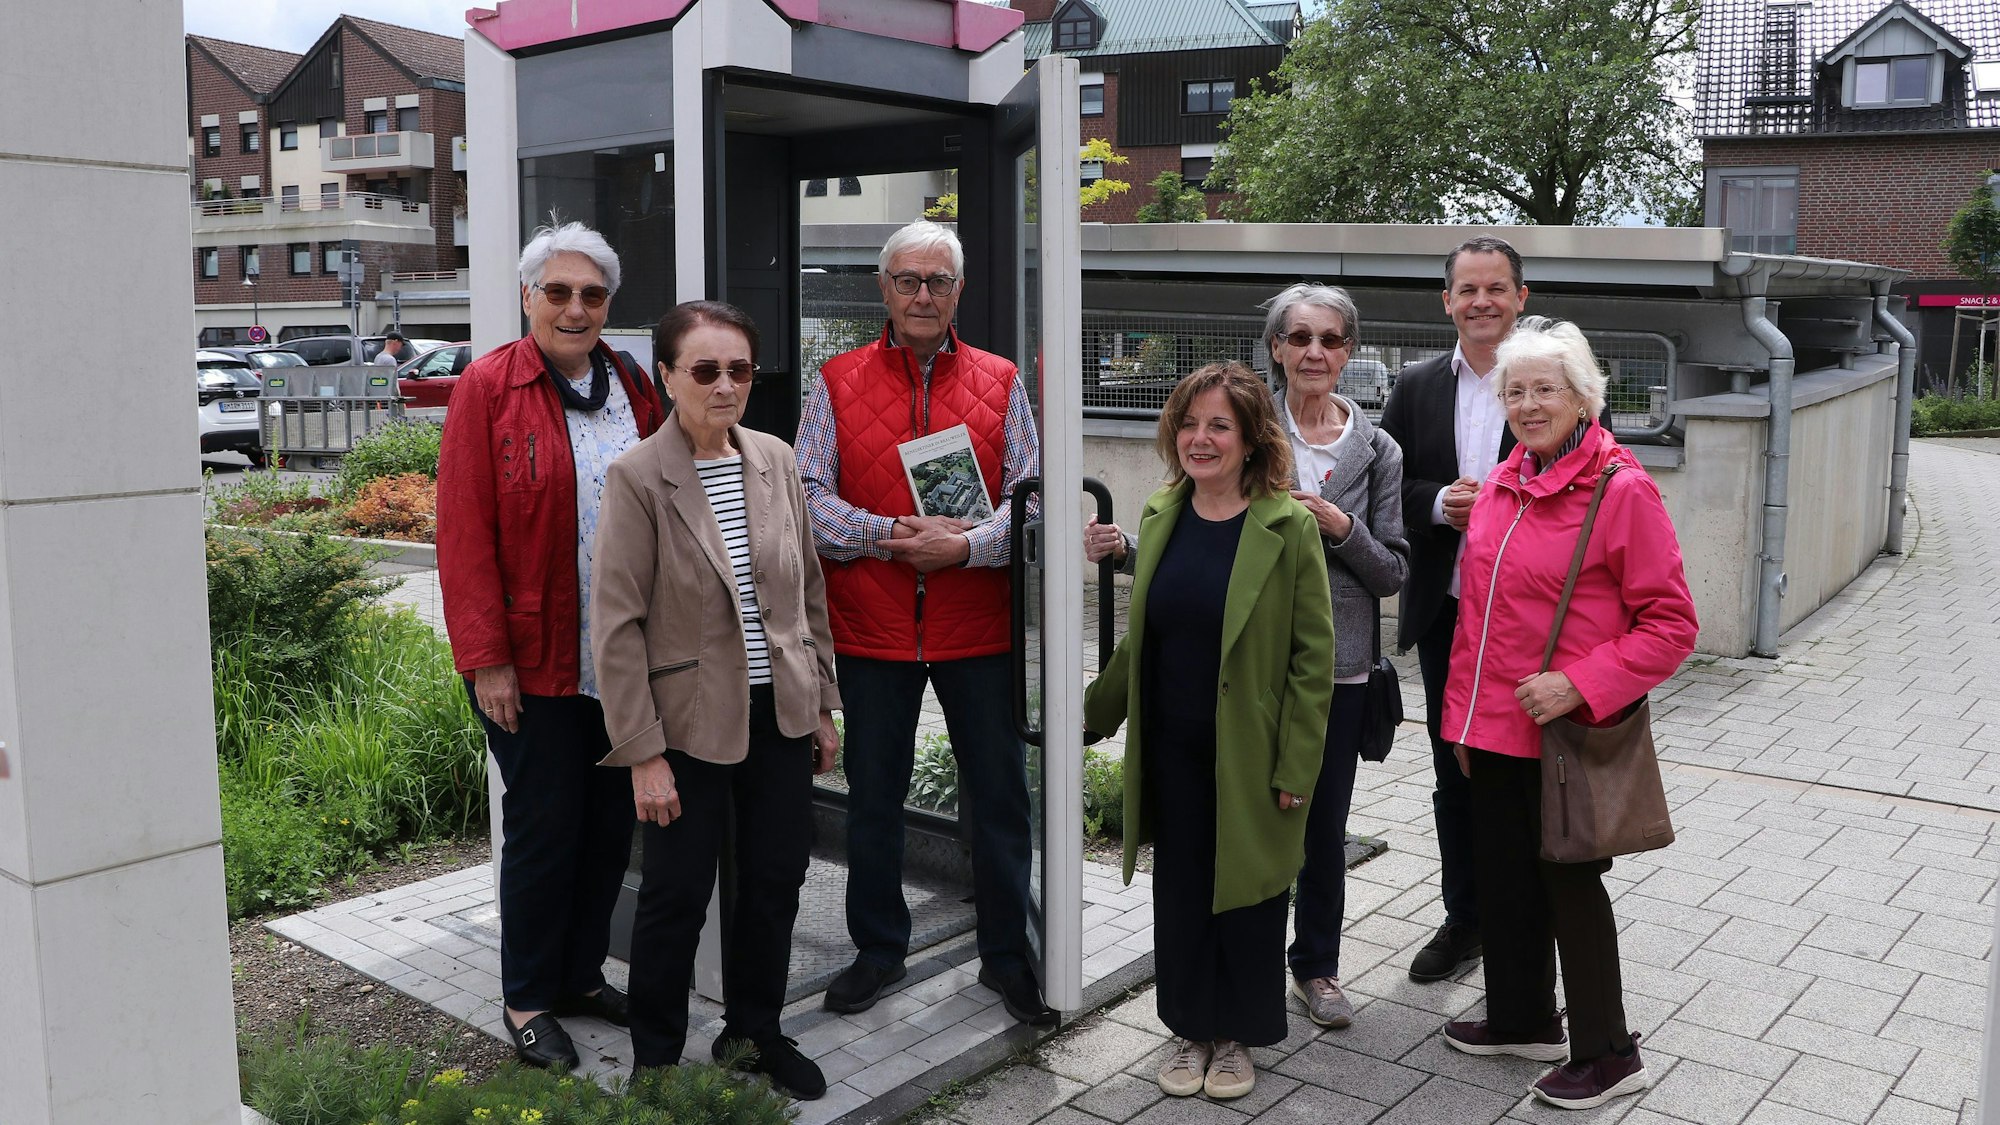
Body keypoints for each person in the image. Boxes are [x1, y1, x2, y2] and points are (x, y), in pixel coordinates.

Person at [796, 220, 1053, 1026]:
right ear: (883, 287)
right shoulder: (835, 379)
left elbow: (1034, 501)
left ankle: (1008, 957)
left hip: (979, 628)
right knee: (874, 798)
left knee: (1003, 802)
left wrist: (968, 545)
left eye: (938, 281)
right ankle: (879, 949)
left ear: (959, 291)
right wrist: (887, 535)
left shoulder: (1002, 380)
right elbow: (804, 495)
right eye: (907, 279)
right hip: (873, 628)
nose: (922, 294)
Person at [1439, 316, 1696, 1111]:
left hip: (1565, 729)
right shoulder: (1507, 480)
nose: (1527, 403)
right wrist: (1460, 723)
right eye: (1514, 390)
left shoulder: (1621, 490)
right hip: (1492, 727)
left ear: (1583, 396)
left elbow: (1672, 623)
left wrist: (1580, 683)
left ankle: (1609, 1050)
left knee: (1570, 886)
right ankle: (1523, 1016)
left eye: (1545, 388)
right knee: (1505, 877)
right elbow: (1478, 618)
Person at [591, 300, 841, 1100]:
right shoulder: (637, 476)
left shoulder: (775, 458)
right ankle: (657, 1063)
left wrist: (824, 702)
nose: (725, 384)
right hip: (687, 732)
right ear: (668, 376)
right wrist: (642, 752)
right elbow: (618, 626)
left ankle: (754, 1033)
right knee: (674, 899)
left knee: (775, 882)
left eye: (739, 368)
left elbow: (809, 593)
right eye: (705, 369)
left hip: (779, 718)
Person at [437, 221, 665, 1069]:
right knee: (543, 829)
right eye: (558, 291)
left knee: (609, 828)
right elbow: (462, 533)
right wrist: (486, 657)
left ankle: (578, 974)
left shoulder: (632, 381)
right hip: (530, 662)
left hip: (620, 661)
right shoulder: (488, 387)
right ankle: (527, 995)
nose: (576, 308)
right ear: (528, 296)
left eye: (593, 294)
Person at [1083, 361, 1332, 1101]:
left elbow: (1312, 662)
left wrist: (1296, 768)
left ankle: (1236, 1037)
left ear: (1253, 438)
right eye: (1189, 424)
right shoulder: (1163, 514)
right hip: (1172, 743)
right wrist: (1092, 716)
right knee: (1184, 887)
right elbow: (1142, 639)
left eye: (1219, 425)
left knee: (1250, 893)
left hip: (1252, 749)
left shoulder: (1288, 526)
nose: (1200, 438)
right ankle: (1190, 1028)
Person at [1377, 235, 1529, 982]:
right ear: (1447, 301)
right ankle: (1464, 916)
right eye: (1467, 289)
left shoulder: (1547, 381)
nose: (1481, 302)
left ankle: (1523, 917)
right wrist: (1436, 502)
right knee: (1452, 769)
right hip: (1446, 608)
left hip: (1527, 621)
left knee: (1523, 772)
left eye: (1495, 288)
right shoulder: (1414, 386)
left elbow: (1585, 486)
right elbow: (1384, 490)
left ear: (1520, 298)